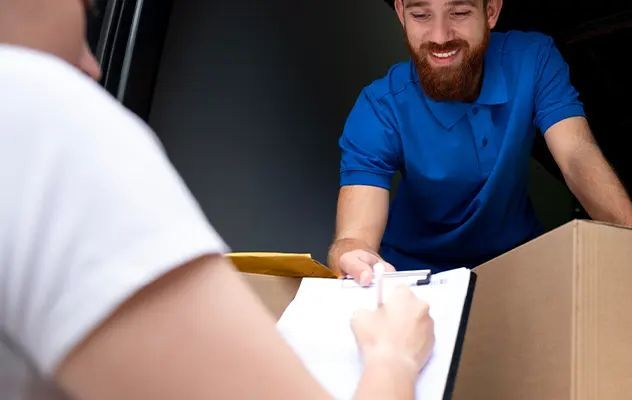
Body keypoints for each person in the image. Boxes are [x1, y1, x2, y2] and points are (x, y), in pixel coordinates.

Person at [0, 0, 433, 398]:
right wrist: (393, 356)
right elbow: (353, 239)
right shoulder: (35, 112)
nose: (92, 67)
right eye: (86, 10)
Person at [331, 0, 632, 284]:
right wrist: (354, 258)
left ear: (491, 11)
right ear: (400, 13)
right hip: (416, 276)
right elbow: (355, 236)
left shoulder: (533, 58)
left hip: (519, 261)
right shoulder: (378, 105)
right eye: (421, 14)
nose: (440, 36)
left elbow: (577, 155)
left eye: (460, 12)